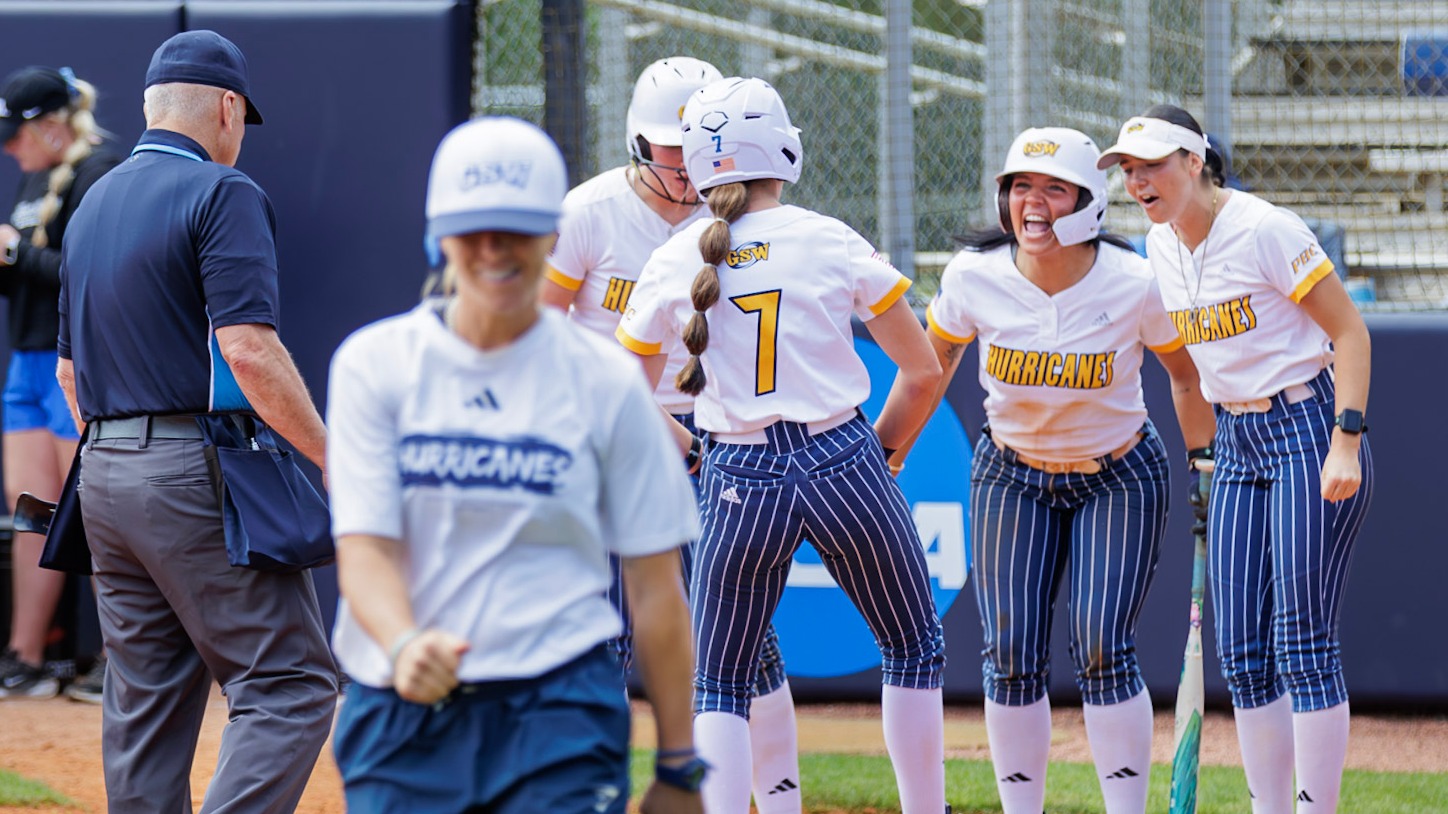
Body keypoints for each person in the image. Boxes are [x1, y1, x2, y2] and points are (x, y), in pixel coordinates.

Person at [326, 116, 705, 813]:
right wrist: (405, 642)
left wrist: (679, 765)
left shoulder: (607, 381)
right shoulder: (374, 365)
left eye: (519, 229)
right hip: (403, 704)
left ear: (551, 240)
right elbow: (365, 551)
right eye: (474, 231)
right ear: (439, 238)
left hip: (559, 710)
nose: (495, 250)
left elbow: (655, 589)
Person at [618, 76, 947, 814]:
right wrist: (882, 456)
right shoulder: (827, 237)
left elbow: (621, 390)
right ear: (783, 150)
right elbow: (923, 370)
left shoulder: (675, 259)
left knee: (720, 685)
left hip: (735, 469)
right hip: (841, 455)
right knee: (914, 648)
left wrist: (689, 447)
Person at [56, 31, 337, 811]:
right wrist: (329, 452)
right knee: (291, 685)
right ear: (225, 107)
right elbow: (248, 349)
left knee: (145, 705)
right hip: (189, 474)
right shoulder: (223, 192)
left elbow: (69, 375)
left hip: (103, 479)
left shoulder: (91, 204)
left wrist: (124, 453)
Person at [913, 127, 1216, 814]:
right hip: (1010, 471)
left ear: (1088, 203)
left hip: (1117, 474)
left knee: (1104, 645)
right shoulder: (973, 276)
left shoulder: (1136, 283)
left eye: (1053, 188)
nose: (1033, 202)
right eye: (1021, 186)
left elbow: (1185, 375)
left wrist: (1203, 459)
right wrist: (888, 452)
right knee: (1010, 649)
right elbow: (929, 371)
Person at [541, 56, 802, 811]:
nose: (680, 170)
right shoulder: (589, 214)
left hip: (716, 442)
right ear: (636, 144)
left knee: (746, 642)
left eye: (687, 149)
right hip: (615, 444)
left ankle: (774, 799)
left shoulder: (736, 215)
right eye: (664, 150)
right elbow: (546, 338)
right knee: (609, 643)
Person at [1099, 104, 1373, 814]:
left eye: (1153, 165)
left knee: (1301, 641)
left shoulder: (1264, 229)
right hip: (1235, 442)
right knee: (1244, 653)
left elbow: (1349, 332)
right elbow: (1185, 375)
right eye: (1128, 170)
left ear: (1195, 162)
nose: (1139, 181)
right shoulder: (1158, 244)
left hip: (1306, 424)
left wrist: (1345, 440)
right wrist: (1202, 458)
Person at [0, 65, 119, 702]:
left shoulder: (101, 169)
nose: (8, 147)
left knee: (95, 513)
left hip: (75, 361)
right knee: (33, 515)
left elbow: (90, 267)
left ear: (50, 125)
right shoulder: (33, 174)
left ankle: (117, 658)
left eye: (14, 134)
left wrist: (16, 252)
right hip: (25, 359)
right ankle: (25, 657)